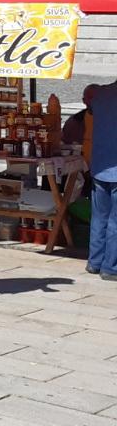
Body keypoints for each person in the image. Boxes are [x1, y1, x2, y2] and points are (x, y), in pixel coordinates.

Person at [85, 84, 117, 282]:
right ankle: (111, 267)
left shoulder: (100, 94)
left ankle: (94, 262)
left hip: (99, 165)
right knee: (115, 221)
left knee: (99, 217)